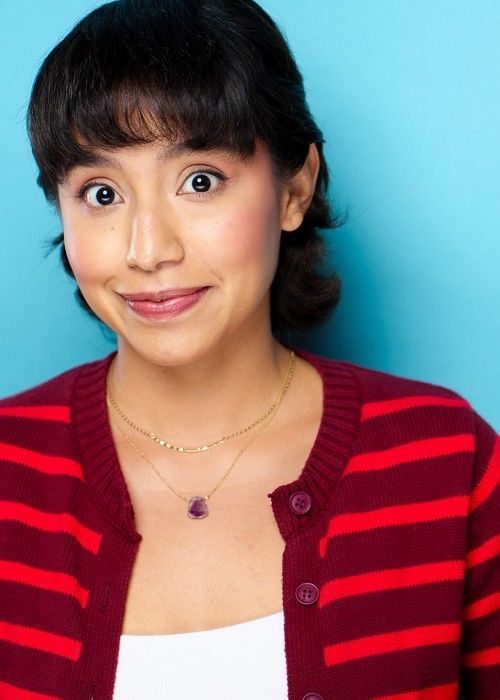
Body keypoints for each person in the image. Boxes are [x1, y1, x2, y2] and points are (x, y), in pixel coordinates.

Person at [0, 0, 498, 698]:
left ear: (294, 189)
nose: (148, 250)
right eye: (102, 193)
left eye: (199, 180)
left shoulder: (447, 460)